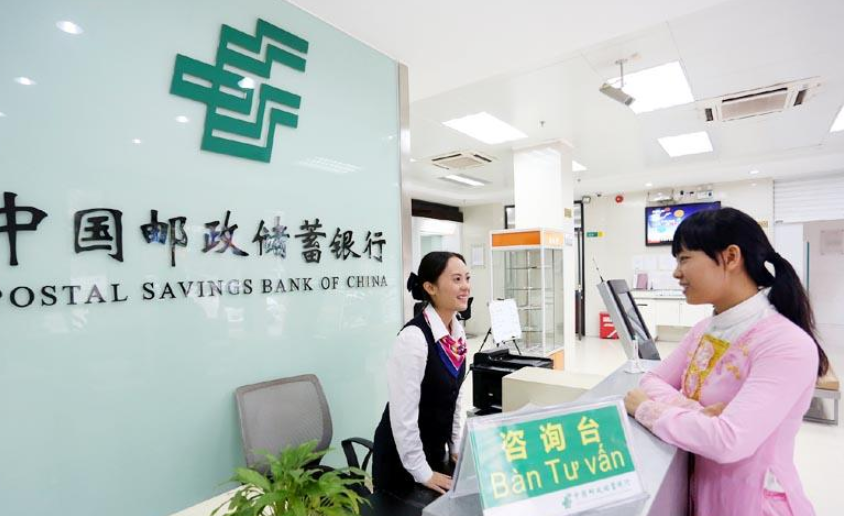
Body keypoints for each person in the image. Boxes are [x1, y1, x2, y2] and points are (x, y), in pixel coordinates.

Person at [624, 207, 829, 516]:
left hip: (755, 504)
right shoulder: (704, 329)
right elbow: (651, 380)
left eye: (684, 259)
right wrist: (695, 412)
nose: (677, 273)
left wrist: (647, 409)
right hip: (706, 497)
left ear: (731, 257)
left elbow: (728, 440)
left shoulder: (785, 344)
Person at [372, 251, 471, 497]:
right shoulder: (414, 338)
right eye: (457, 279)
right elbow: (403, 416)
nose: (466, 286)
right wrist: (421, 471)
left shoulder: (457, 334)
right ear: (430, 287)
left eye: (467, 278)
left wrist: (455, 445)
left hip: (434, 453)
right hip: (401, 463)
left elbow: (455, 397)